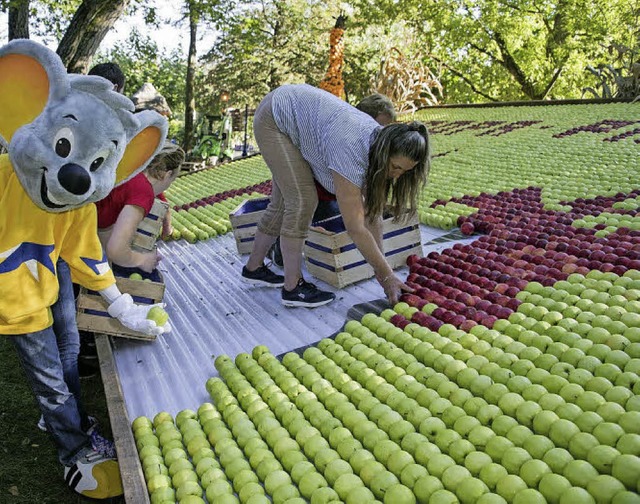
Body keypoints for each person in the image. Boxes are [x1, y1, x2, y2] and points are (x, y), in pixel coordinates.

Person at [242, 84, 430, 308]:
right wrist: (386, 276)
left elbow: (372, 213)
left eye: (403, 171)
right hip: (275, 117)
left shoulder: (376, 144)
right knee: (302, 200)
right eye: (395, 167)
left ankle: (253, 268)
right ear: (385, 152)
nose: (396, 176)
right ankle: (292, 288)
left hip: (291, 112)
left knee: (282, 202)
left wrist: (382, 268)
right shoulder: (351, 148)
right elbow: (356, 227)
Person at [267, 93, 397, 267]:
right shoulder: (345, 140)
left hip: (334, 197)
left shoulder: (374, 155)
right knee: (303, 214)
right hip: (316, 192)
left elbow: (369, 206)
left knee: (346, 222)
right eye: (378, 126)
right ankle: (280, 247)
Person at [96, 142, 184, 276]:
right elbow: (115, 250)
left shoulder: (135, 172)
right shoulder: (143, 192)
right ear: (167, 174)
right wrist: (142, 260)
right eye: (172, 180)